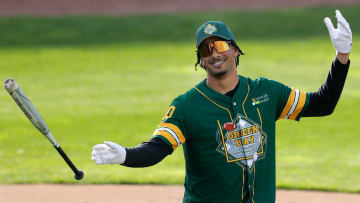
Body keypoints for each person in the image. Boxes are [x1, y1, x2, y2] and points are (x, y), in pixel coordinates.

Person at [91, 10, 352, 203]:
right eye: (206, 50)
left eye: (221, 45)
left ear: (236, 50)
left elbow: (323, 104)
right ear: (201, 61)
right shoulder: (186, 106)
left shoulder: (266, 92)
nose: (215, 53)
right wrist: (125, 155)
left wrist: (342, 57)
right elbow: (158, 148)